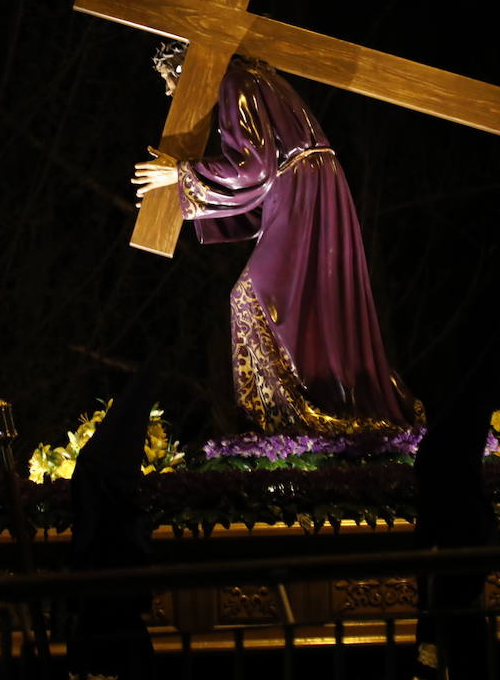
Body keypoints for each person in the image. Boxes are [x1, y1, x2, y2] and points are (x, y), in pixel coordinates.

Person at [133, 43, 415, 433]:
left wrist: (180, 174)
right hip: (313, 187)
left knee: (254, 297)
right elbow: (262, 174)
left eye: (172, 80)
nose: (170, 92)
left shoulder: (235, 82)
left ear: (191, 69)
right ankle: (341, 399)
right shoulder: (262, 77)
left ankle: (299, 420)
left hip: (301, 191)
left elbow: (252, 170)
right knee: (319, 296)